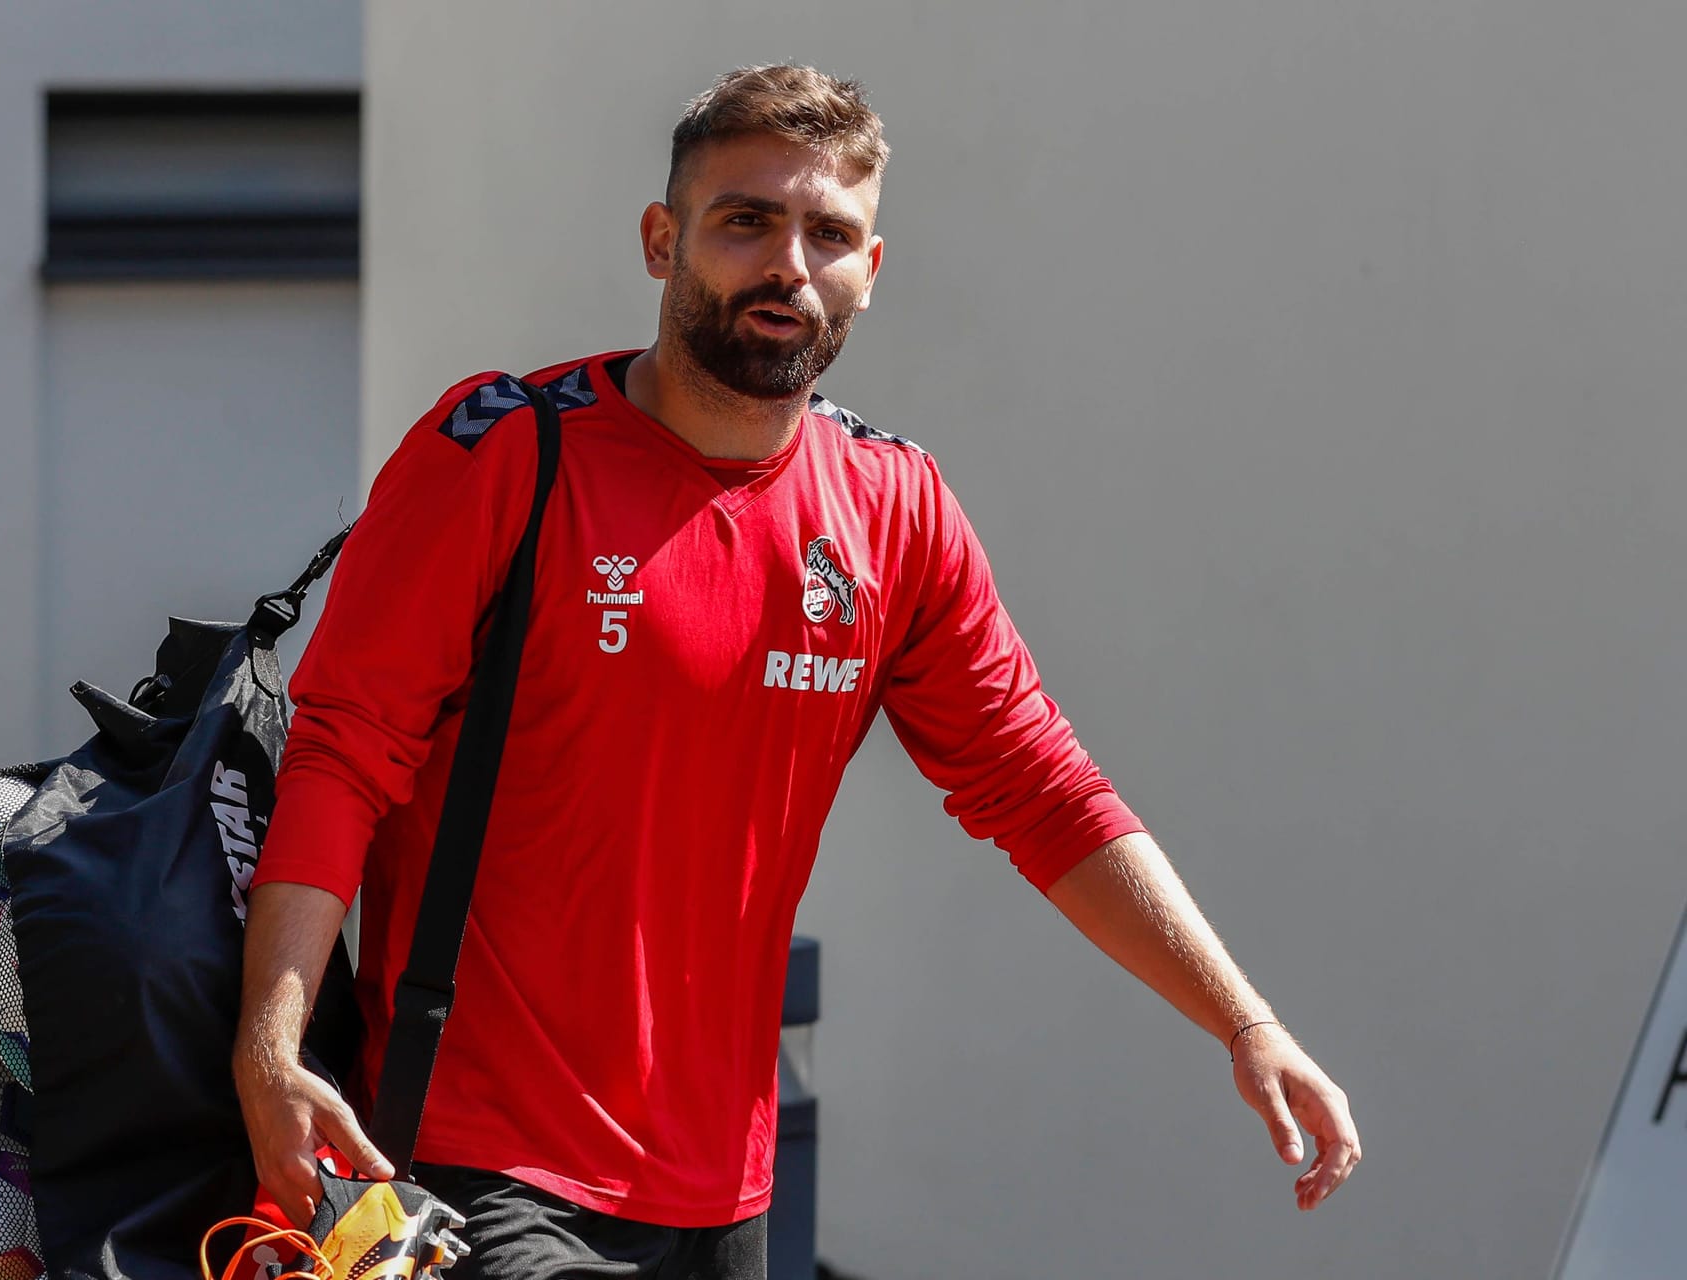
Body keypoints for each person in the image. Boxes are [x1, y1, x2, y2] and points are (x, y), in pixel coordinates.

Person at [233, 63, 1361, 1280]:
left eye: (830, 233)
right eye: (746, 221)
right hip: (466, 1161)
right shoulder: (508, 453)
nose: (789, 265)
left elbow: (1041, 788)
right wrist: (271, 1046)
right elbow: (344, 751)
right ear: (664, 241)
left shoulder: (894, 508)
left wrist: (1242, 1020)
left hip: (725, 1191)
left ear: (870, 274)